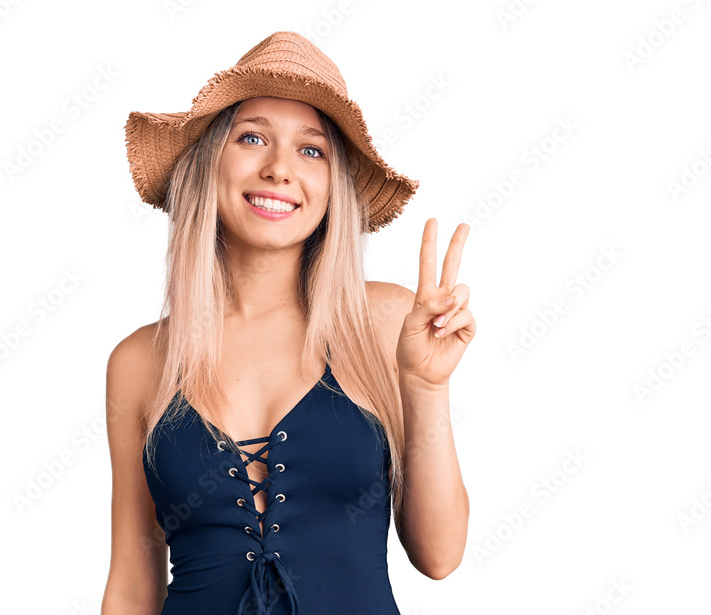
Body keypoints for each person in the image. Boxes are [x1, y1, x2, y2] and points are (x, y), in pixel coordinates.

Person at [101, 31, 474, 615]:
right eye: (251, 138)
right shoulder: (140, 361)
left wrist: (426, 387)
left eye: (311, 150)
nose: (279, 169)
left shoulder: (383, 321)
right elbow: (131, 581)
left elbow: (440, 554)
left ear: (333, 187)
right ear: (210, 162)